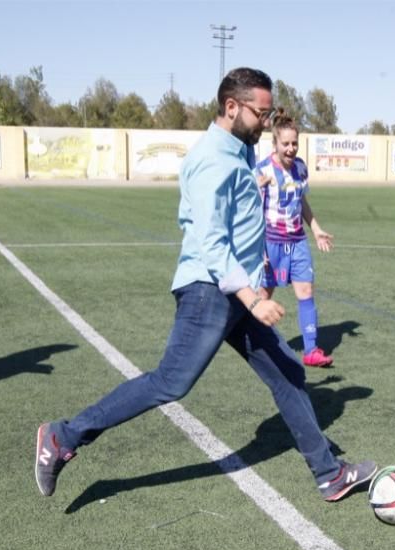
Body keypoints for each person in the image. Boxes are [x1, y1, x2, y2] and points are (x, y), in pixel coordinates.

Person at [34, 68, 375, 502]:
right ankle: (62, 437)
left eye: (270, 115)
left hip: (233, 289)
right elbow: (212, 243)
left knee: (288, 371)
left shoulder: (239, 149)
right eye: (261, 114)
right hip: (210, 289)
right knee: (170, 383)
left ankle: (329, 474)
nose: (266, 124)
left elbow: (235, 219)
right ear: (232, 107)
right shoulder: (213, 158)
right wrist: (253, 298)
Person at [255, 112, 335, 367]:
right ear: (275, 144)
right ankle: (254, 344)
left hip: (297, 241)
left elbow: (302, 202)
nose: (290, 149)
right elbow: (252, 210)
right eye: (285, 144)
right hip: (270, 240)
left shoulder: (300, 167)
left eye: (294, 143)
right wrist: (259, 247)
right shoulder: (262, 170)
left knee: (306, 290)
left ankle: (311, 351)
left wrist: (316, 229)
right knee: (262, 296)